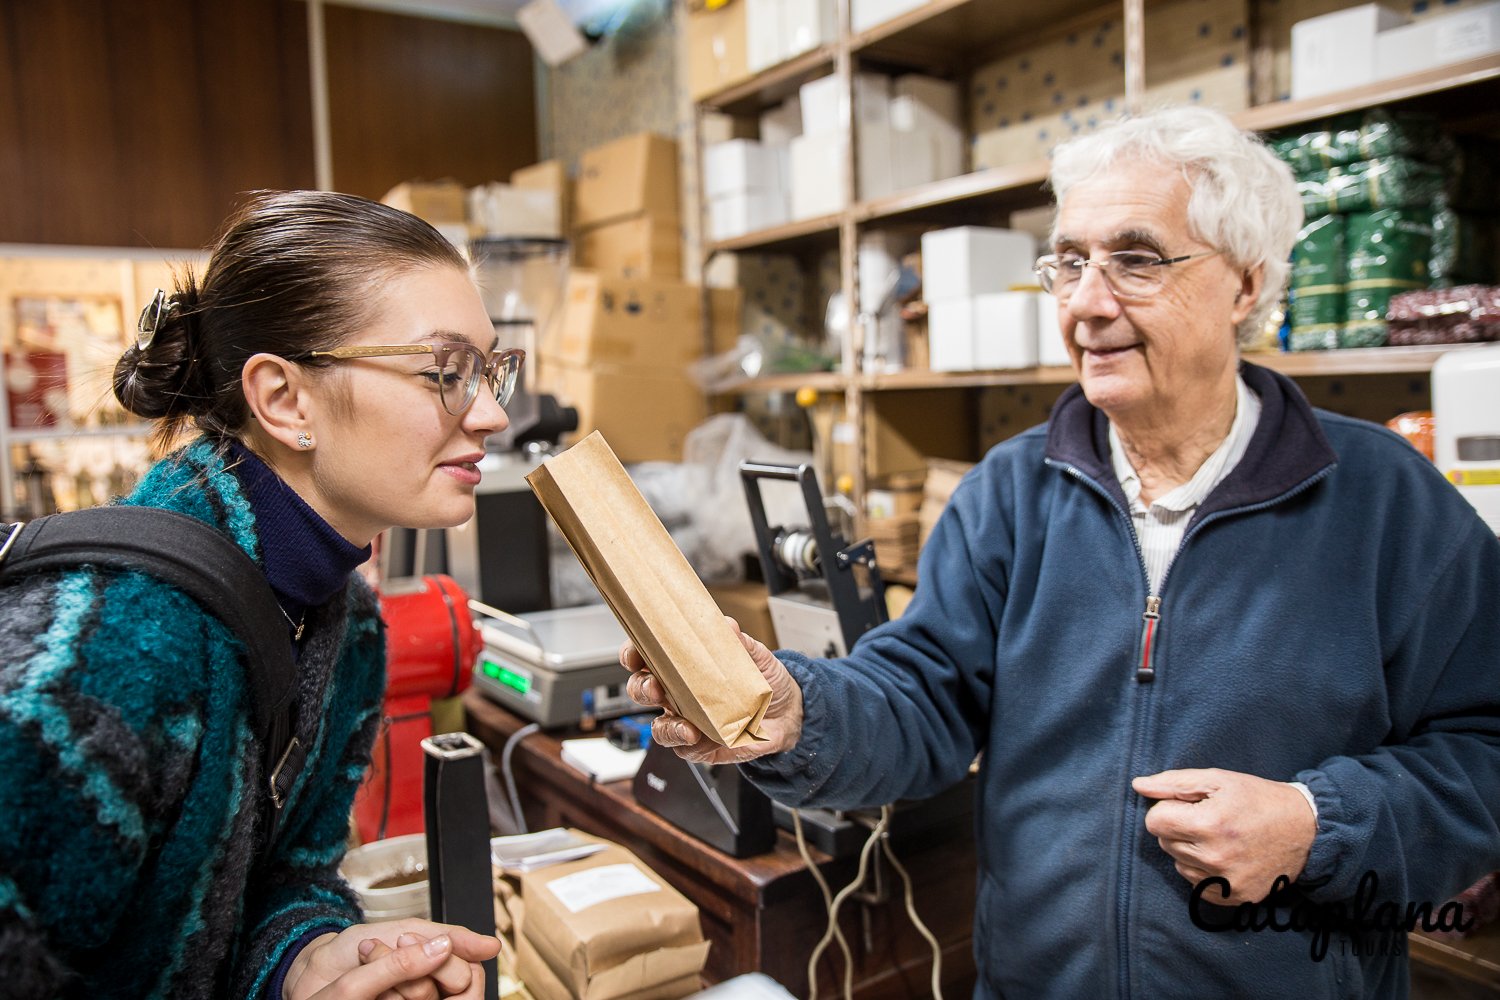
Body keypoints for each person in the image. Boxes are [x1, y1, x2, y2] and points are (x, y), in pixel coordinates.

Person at [621, 106, 1500, 998]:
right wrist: (795, 714)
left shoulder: (1385, 501)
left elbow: (1487, 752)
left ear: (1247, 284)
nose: (1085, 303)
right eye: (1070, 262)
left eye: (1136, 259)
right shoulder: (1010, 494)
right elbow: (921, 696)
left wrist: (1320, 824)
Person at [0, 190, 515, 999]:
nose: (488, 413)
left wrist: (302, 962)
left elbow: (285, 878)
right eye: (445, 373)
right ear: (283, 399)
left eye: (490, 371)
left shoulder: (349, 627)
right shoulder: (113, 645)